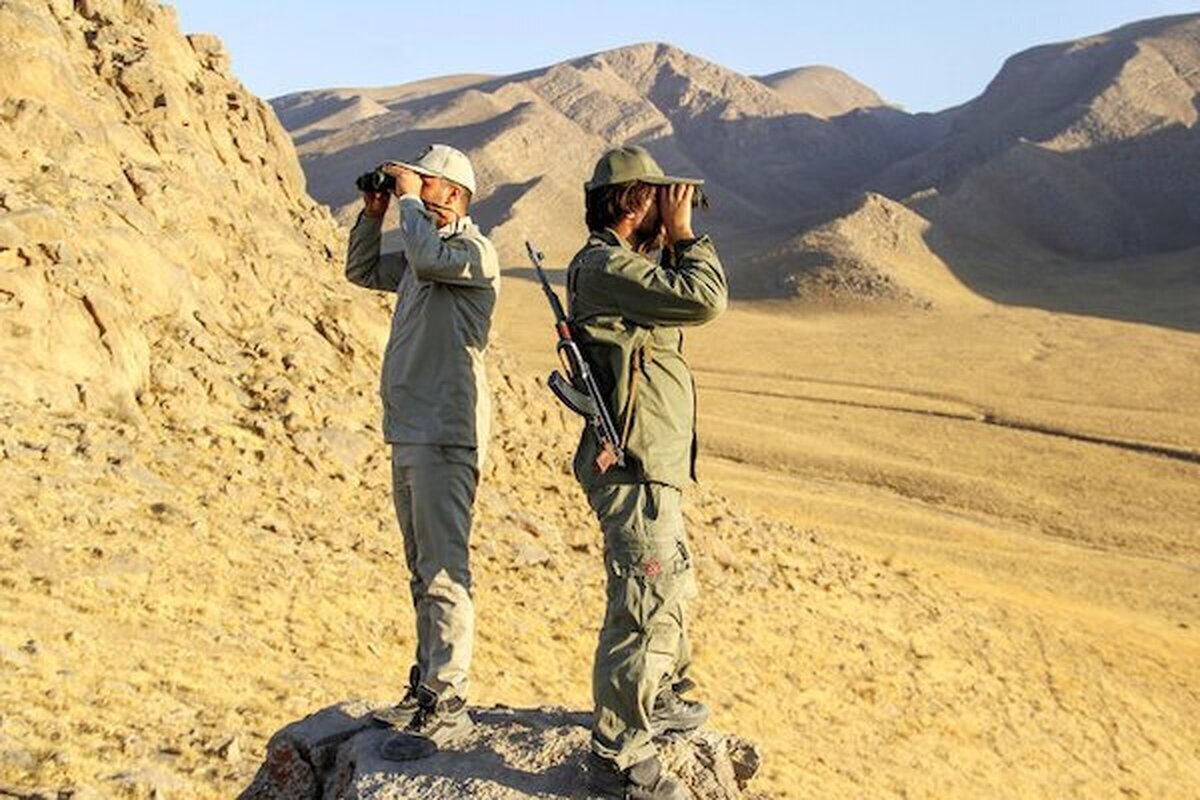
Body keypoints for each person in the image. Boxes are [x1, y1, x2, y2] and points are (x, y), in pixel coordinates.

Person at [566, 145, 728, 799]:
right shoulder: (604, 266)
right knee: (643, 602)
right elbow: (704, 299)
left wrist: (666, 238)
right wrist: (685, 234)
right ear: (635, 200)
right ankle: (616, 752)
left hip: (651, 464)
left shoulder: (621, 269)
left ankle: (659, 698)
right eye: (659, 198)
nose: (672, 208)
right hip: (632, 467)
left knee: (670, 586)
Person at [344, 143, 499, 759]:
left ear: (454, 196)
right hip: (410, 427)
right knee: (420, 568)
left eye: (426, 183)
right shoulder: (418, 252)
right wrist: (375, 210)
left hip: (446, 428)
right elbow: (360, 271)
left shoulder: (469, 252)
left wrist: (408, 200)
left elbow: (431, 258)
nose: (416, 189)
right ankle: (426, 685)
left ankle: (450, 700)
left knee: (443, 569)